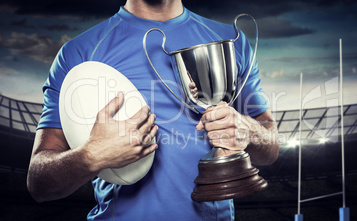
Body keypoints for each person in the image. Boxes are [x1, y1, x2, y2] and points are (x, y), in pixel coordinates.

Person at [27, 0, 279, 220]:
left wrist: (247, 130)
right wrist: (90, 156)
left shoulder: (231, 41)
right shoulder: (78, 53)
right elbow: (39, 184)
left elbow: (270, 149)